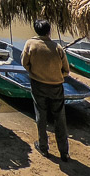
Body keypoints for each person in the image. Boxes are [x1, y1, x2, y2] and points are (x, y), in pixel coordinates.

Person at [20, 19, 70, 162]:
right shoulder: (57, 47)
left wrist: (35, 73)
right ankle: (64, 152)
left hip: (38, 85)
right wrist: (57, 76)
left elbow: (25, 63)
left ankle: (43, 147)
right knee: (60, 118)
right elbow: (66, 70)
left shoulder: (30, 44)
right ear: (49, 31)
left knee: (41, 116)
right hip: (56, 87)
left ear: (36, 30)